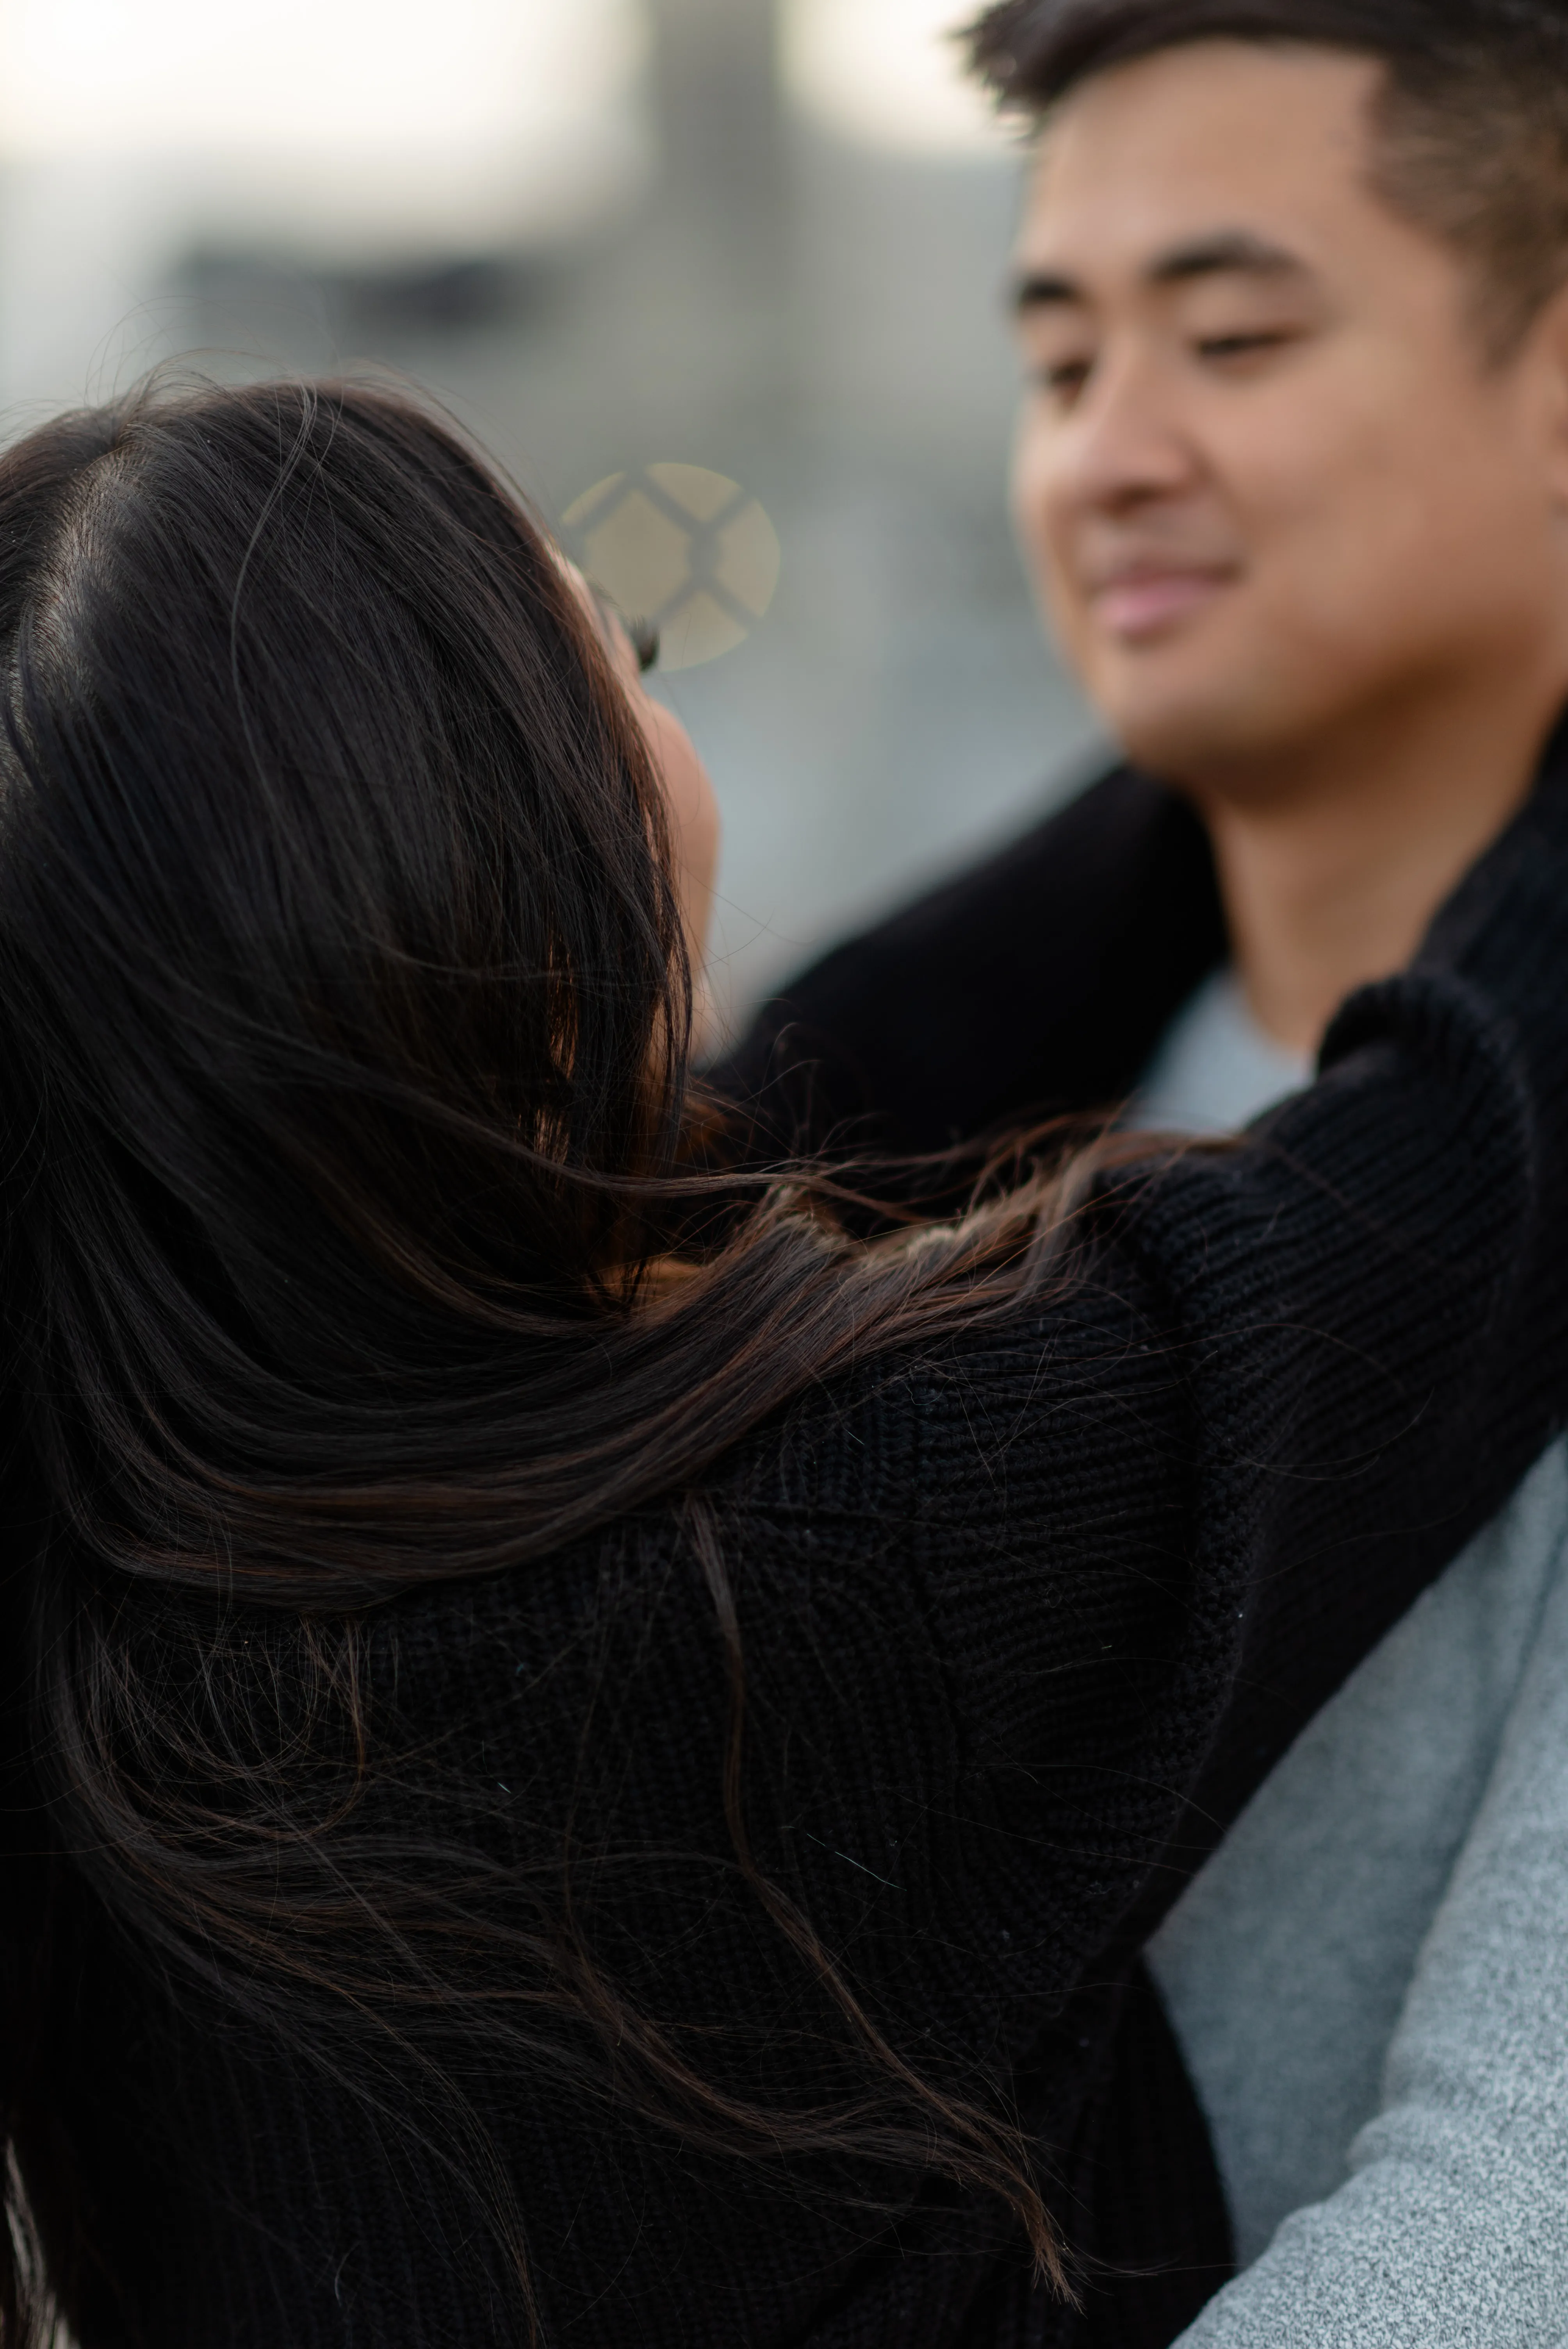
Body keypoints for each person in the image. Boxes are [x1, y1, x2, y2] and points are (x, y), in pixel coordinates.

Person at [3, 379, 1568, 2349]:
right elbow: (1469, 1164)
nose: (669, 727)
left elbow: (850, 1066)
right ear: (490, 894)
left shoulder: (134, 1624)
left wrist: (1224, 708)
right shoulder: (808, 1583)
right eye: (623, 665)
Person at [716, 1, 1568, 2340]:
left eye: (1232, 334)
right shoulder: (883, 1139)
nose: (1111, 453)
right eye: (1062, 362)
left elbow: (1527, 2204)